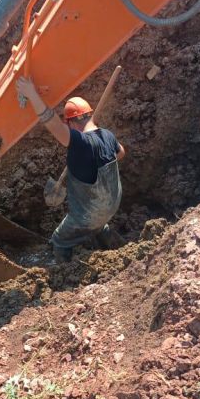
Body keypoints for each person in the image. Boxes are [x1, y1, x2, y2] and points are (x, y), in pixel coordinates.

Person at [16, 78, 125, 262]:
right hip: (112, 205)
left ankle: (64, 271)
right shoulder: (107, 135)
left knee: (60, 239)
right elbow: (121, 153)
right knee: (98, 224)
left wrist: (31, 94)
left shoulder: (80, 142)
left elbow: (52, 122)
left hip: (88, 214)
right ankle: (117, 248)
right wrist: (94, 162)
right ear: (90, 115)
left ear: (71, 123)